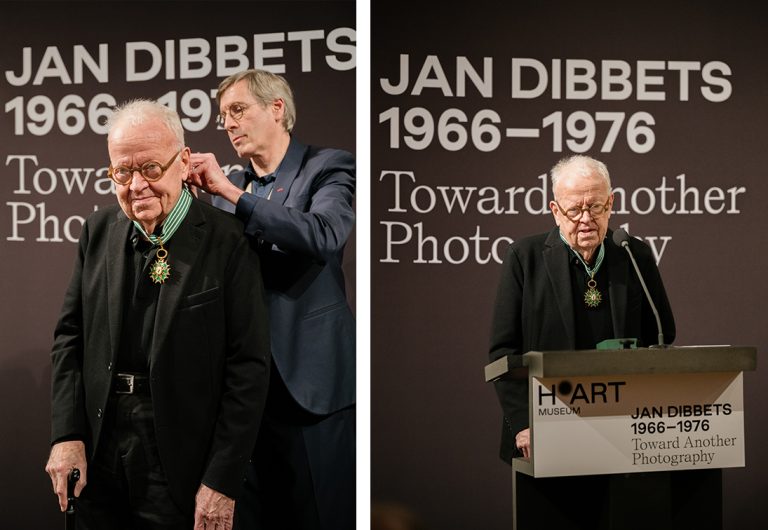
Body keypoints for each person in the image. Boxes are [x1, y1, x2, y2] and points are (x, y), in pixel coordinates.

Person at [45, 99, 271, 529]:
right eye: (122, 172)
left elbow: (248, 368)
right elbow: (69, 339)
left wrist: (222, 480)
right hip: (99, 444)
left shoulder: (228, 241)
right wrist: (66, 434)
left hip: (182, 456)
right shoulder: (98, 231)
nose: (136, 186)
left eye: (150, 169)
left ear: (183, 162)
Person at [187, 69, 355, 530]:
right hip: (243, 398)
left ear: (277, 108)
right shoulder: (226, 196)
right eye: (223, 117)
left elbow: (324, 234)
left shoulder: (328, 167)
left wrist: (231, 193)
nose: (228, 124)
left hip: (311, 388)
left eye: (238, 110)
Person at [488, 154, 675, 462]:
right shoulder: (525, 257)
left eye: (595, 207)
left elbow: (661, 332)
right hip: (544, 426)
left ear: (611, 203)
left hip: (622, 424)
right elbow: (503, 353)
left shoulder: (634, 254)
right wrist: (523, 423)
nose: (586, 218)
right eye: (574, 209)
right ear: (555, 211)